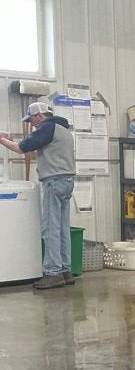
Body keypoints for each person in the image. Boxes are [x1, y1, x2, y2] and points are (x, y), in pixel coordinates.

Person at [0, 102, 77, 289]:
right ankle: (66, 271)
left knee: (50, 228)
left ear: (39, 115)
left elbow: (21, 148)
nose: (32, 124)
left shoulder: (47, 128)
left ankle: (52, 272)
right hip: (66, 181)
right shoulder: (63, 129)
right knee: (62, 228)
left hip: (53, 182)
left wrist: (2, 140)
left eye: (32, 119)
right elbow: (43, 154)